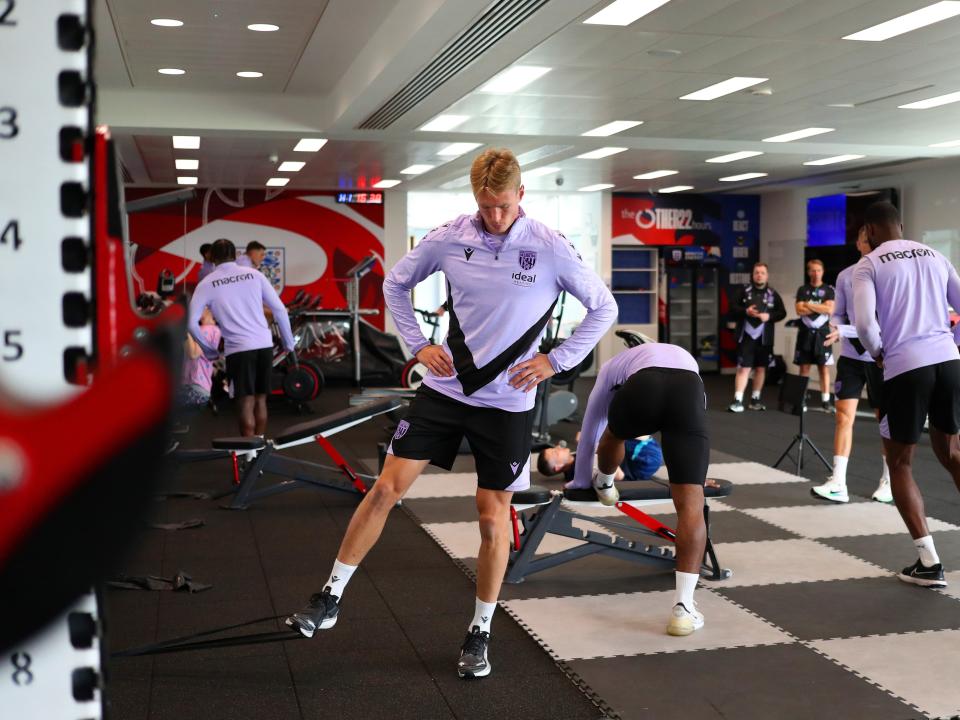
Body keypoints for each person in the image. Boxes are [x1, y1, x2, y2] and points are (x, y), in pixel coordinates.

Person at [285, 148, 617, 679]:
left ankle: (480, 631)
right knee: (385, 489)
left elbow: (604, 308)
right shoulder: (448, 237)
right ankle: (330, 597)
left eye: (504, 205)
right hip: (445, 389)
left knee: (491, 514)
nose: (495, 216)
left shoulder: (550, 247)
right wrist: (417, 345)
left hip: (507, 402)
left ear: (521, 195)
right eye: (486, 206)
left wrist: (555, 361)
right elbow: (394, 285)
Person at [564, 342, 710, 636]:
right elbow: (696, 416)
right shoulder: (683, 357)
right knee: (691, 504)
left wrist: (580, 481)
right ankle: (683, 608)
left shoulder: (612, 367)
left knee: (613, 435)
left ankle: (605, 481)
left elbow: (591, 426)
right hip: (689, 389)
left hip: (644, 387)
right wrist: (696, 475)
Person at [853, 201, 960, 589]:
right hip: (949, 361)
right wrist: (952, 344)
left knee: (899, 462)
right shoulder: (935, 255)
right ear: (900, 224)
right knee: (952, 453)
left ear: (871, 230)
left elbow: (864, 324)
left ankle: (929, 563)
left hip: (906, 366)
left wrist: (878, 354)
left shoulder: (869, 264)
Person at [811, 227, 891, 504]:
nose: (869, 244)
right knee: (843, 417)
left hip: (882, 357)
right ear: (858, 244)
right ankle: (838, 481)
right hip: (851, 357)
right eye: (865, 240)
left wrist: (846, 330)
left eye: (873, 240)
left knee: (885, 421)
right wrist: (836, 328)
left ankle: (888, 481)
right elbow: (838, 314)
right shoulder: (845, 276)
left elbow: (882, 321)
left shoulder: (887, 274)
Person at [187, 238, 295, 437]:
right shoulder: (255, 274)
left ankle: (249, 452)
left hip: (238, 350)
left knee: (245, 402)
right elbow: (280, 310)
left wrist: (209, 351)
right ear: (235, 255)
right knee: (260, 400)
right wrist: (289, 343)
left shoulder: (206, 283)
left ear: (213, 258)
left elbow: (191, 323)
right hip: (264, 345)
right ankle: (259, 447)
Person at [728, 263, 786, 412]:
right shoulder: (743, 291)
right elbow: (732, 308)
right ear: (753, 275)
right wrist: (745, 311)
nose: (759, 275)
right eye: (757, 273)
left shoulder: (773, 294)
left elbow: (782, 313)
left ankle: (755, 399)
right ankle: (737, 400)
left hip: (764, 338)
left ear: (767, 276)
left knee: (761, 368)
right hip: (746, 337)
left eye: (762, 273)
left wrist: (769, 316)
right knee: (744, 368)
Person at [795, 259, 836, 413]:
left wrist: (808, 304)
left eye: (819, 270)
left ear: (823, 272)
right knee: (804, 367)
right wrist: (820, 307)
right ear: (808, 272)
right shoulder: (802, 289)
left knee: (823, 368)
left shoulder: (828, 290)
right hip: (805, 334)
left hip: (823, 334)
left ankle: (826, 401)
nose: (816, 273)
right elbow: (799, 310)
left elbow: (829, 309)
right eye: (813, 270)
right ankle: (801, 399)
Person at [537, 435, 663, 482]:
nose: (558, 447)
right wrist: (593, 446)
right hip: (641, 462)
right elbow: (618, 476)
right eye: (555, 452)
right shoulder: (579, 472)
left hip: (632, 452)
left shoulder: (574, 460)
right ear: (558, 467)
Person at [176, 307, 221, 432]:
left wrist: (184, 327)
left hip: (195, 390)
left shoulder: (208, 329)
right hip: (194, 390)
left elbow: (194, 353)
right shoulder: (203, 330)